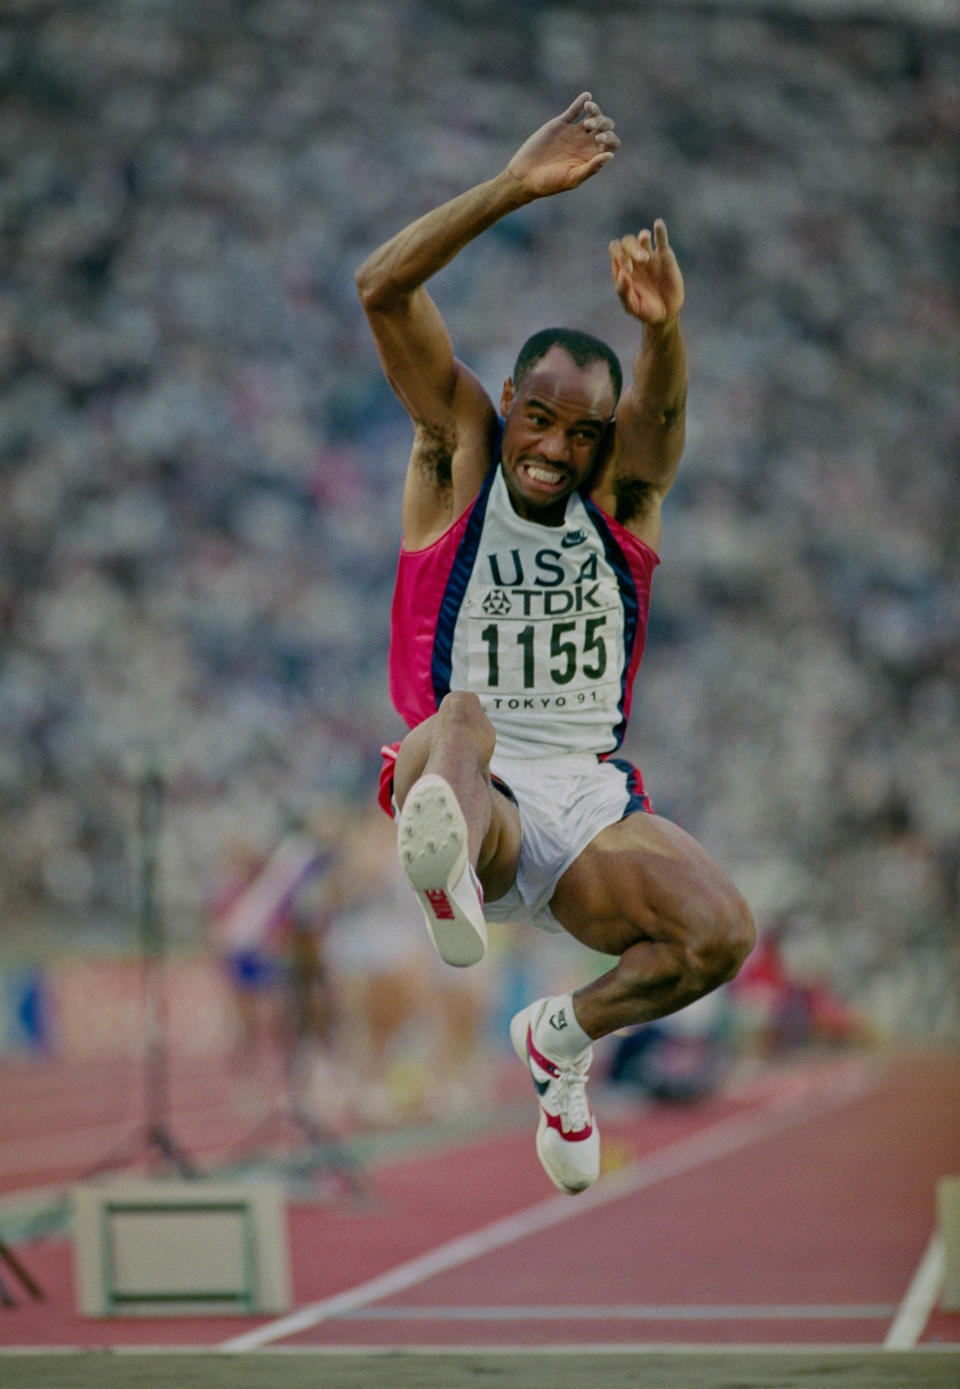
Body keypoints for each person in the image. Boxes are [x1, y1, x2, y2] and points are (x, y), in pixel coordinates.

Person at [355, 92, 755, 1195]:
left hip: (584, 803)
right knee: (462, 720)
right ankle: (450, 869)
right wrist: (513, 187)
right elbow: (382, 287)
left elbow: (661, 424)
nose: (553, 448)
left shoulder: (623, 498)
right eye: (540, 416)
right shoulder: (457, 455)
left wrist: (663, 330)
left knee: (719, 936)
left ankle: (560, 1040)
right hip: (468, 773)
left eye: (582, 431)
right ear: (512, 404)